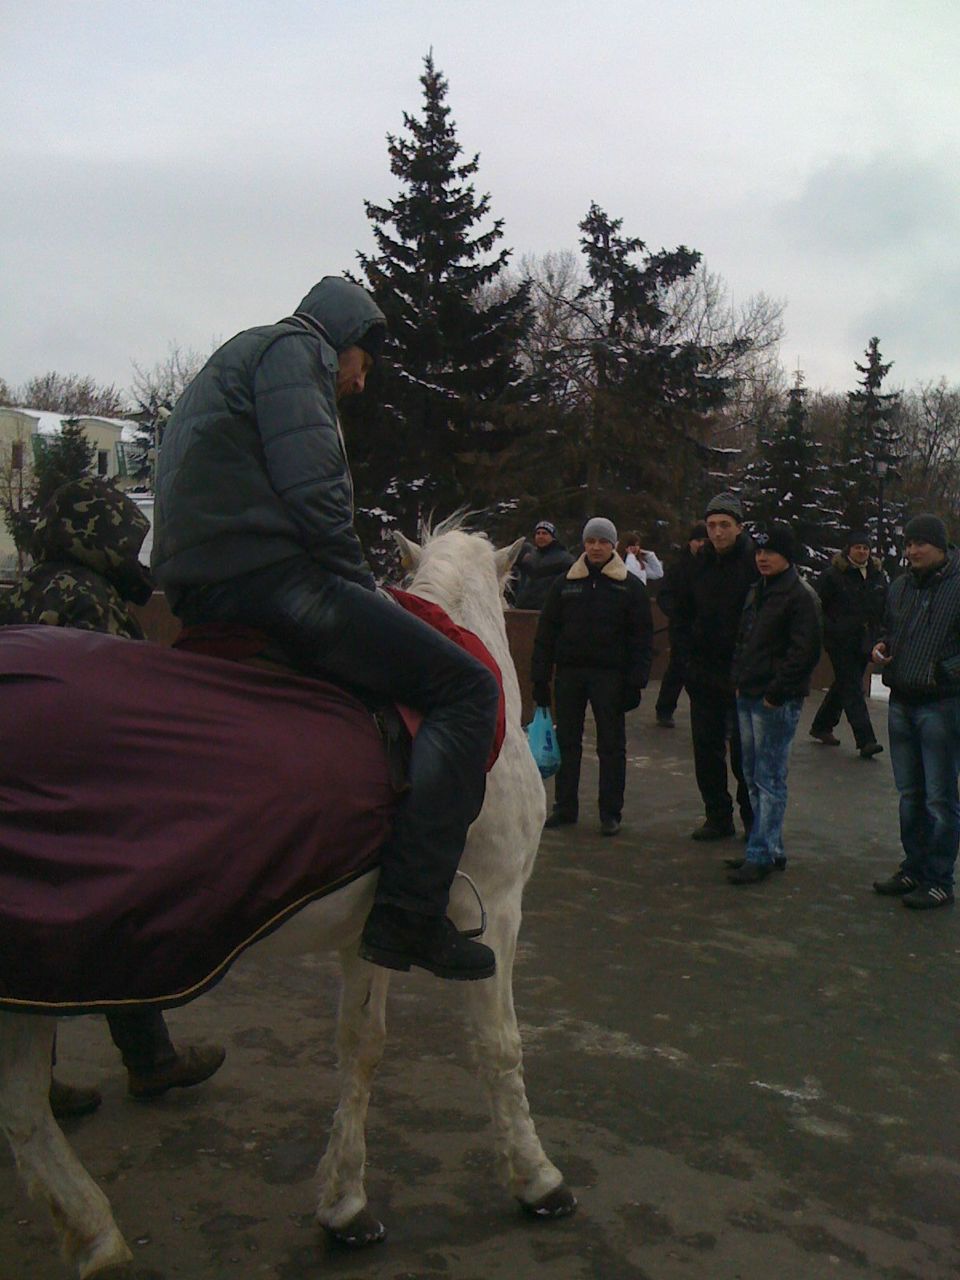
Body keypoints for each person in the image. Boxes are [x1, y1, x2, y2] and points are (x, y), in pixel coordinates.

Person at [151, 276, 499, 980]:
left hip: (204, 584)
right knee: (465, 688)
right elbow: (315, 490)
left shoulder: (234, 361)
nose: (360, 385)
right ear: (344, 340)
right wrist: (356, 583)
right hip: (270, 578)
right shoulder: (294, 352)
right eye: (363, 367)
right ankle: (409, 915)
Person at [0, 477, 226, 1117]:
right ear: (95, 537)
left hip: (34, 790)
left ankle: (43, 1079)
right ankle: (147, 1063)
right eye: (121, 538)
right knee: (120, 921)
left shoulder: (36, 586)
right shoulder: (82, 594)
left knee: (36, 931)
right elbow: (125, 690)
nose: (131, 552)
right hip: (76, 794)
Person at [530, 517, 652, 836]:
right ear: (583, 545)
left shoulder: (629, 586)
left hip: (610, 676)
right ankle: (565, 807)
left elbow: (642, 638)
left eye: (602, 541)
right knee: (567, 742)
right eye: (590, 541)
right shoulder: (565, 582)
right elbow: (546, 632)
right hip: (570, 673)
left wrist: (636, 682)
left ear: (613, 545)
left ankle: (610, 812)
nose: (596, 547)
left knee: (612, 746)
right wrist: (540, 678)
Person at [872, 514, 960, 910]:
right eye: (907, 544)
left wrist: (945, 670)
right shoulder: (900, 587)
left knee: (939, 798)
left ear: (940, 546)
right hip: (902, 700)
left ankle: (939, 878)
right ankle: (914, 866)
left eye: (919, 543)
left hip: (942, 704)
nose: (910, 551)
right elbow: (890, 629)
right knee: (910, 794)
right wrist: (881, 648)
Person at [724, 523, 821, 884]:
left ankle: (761, 853)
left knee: (769, 779)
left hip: (774, 700)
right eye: (759, 551)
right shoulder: (757, 591)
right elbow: (743, 640)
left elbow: (804, 652)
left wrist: (776, 691)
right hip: (748, 694)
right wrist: (738, 680)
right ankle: (767, 847)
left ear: (787, 556)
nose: (762, 558)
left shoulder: (799, 597)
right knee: (751, 775)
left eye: (771, 552)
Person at [671, 493, 758, 841]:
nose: (718, 532)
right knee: (706, 751)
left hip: (743, 675)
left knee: (744, 754)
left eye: (725, 525)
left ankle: (752, 820)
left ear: (739, 527)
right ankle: (717, 815)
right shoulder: (698, 564)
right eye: (712, 526)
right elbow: (680, 612)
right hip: (703, 672)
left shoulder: (754, 565)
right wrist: (686, 659)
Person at [809, 530, 887, 758]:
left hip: (865, 641)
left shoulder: (877, 575)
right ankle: (866, 740)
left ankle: (822, 726)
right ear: (848, 549)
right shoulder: (833, 575)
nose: (862, 551)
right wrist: (830, 628)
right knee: (853, 687)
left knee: (844, 685)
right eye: (857, 547)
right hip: (839, 641)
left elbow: (883, 606)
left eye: (865, 547)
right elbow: (817, 606)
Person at [655, 522, 707, 728]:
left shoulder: (715, 564)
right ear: (690, 543)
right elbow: (664, 595)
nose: (702, 544)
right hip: (682, 627)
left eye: (706, 540)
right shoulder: (679, 567)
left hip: (707, 627)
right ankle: (665, 708)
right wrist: (676, 613)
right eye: (698, 540)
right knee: (678, 668)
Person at [513, 520, 574, 609]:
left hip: (550, 610)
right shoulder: (527, 557)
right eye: (538, 533)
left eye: (545, 533)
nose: (540, 536)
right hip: (523, 609)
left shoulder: (565, 559)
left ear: (553, 537)